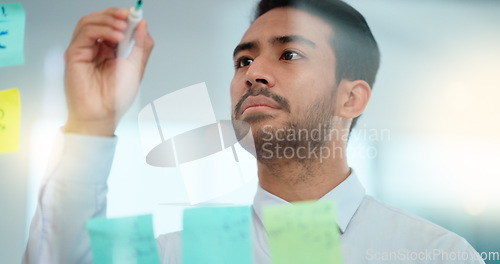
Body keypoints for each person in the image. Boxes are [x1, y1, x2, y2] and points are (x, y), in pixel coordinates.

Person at [23, 0, 484, 263]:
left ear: (352, 98)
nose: (253, 74)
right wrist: (92, 122)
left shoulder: (439, 256)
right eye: (244, 60)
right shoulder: (174, 255)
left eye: (289, 55)